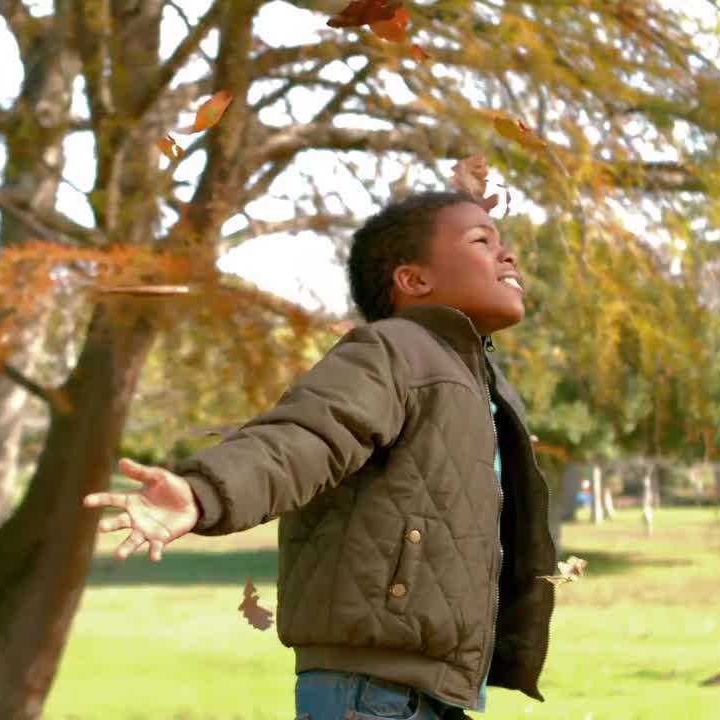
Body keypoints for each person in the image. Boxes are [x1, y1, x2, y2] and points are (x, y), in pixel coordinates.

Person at [84, 190, 557, 719]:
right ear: (414, 279)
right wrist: (203, 492)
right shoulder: (392, 351)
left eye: (503, 242)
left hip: (428, 693)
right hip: (372, 693)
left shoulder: (480, 385)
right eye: (481, 241)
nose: (507, 254)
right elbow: (305, 436)